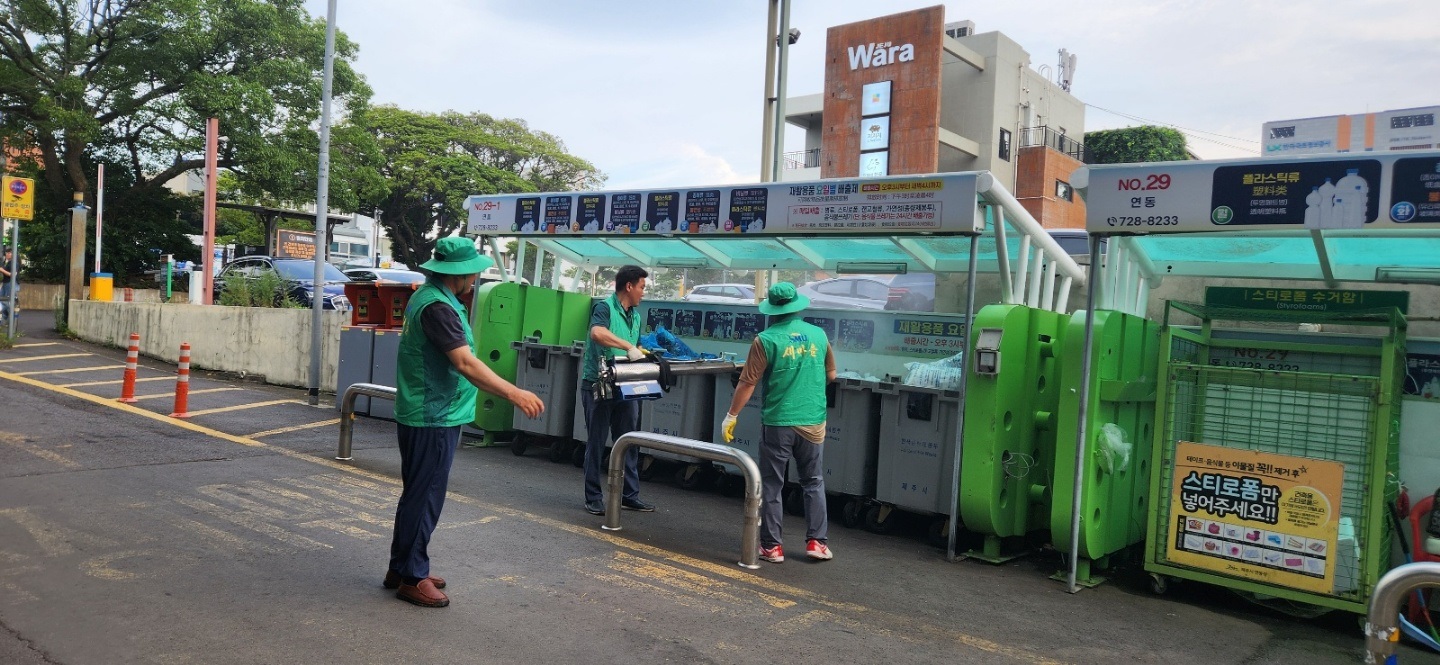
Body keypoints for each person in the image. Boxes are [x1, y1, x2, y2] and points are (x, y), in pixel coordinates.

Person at [388, 236, 544, 608]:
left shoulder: (429, 298)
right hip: (433, 416)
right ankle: (411, 577)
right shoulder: (439, 308)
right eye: (473, 272)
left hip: (426, 412)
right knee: (424, 498)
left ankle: (403, 566)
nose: (475, 277)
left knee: (416, 495)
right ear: (459, 274)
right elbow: (465, 363)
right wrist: (515, 393)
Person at [723, 282, 837, 563]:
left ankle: (772, 547)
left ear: (772, 310)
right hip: (813, 421)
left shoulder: (766, 340)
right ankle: (817, 543)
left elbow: (748, 383)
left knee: (773, 483)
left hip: (779, 422)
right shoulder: (819, 335)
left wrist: (731, 416)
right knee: (813, 481)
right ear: (796, 306)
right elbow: (832, 375)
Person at [579, 265, 655, 516]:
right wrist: (626, 346)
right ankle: (593, 497)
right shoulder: (604, 308)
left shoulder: (636, 315)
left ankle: (629, 495)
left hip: (626, 384)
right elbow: (597, 333)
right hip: (598, 385)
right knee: (597, 441)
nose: (644, 292)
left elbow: (636, 344)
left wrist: (643, 352)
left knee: (629, 440)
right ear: (629, 286)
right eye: (642, 287)